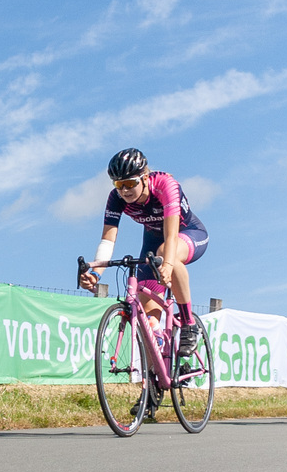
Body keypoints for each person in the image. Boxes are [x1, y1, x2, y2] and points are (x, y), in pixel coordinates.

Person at [79, 149, 209, 382]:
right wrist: (95, 273)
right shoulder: (116, 198)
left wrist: (168, 265)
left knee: (164, 254)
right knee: (149, 322)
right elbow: (108, 238)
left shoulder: (165, 185)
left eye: (130, 183)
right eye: (119, 184)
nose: (125, 190)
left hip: (186, 233)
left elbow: (171, 237)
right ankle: (154, 384)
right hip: (152, 241)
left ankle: (188, 323)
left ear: (145, 177)